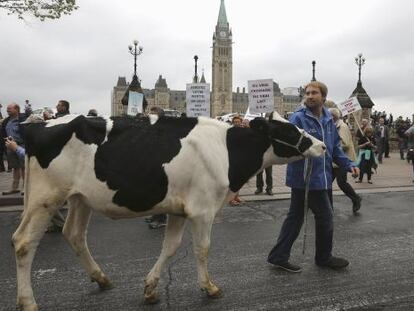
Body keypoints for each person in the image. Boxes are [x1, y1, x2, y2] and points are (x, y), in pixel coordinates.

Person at [267, 81, 359, 272]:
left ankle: (278, 255)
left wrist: (349, 164)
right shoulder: (298, 118)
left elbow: (334, 149)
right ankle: (324, 257)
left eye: (314, 93)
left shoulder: (328, 119)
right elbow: (288, 145)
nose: (309, 95)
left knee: (295, 218)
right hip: (306, 178)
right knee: (325, 217)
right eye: (307, 93)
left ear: (323, 97)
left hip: (323, 177)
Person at [328, 108, 361, 213]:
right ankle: (328, 206)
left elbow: (345, 144)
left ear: (333, 117)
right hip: (335, 161)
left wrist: (330, 148)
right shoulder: (333, 126)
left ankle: (356, 199)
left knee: (341, 183)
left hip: (343, 160)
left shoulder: (342, 126)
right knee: (327, 183)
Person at [146, 106, 168, 229]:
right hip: (153, 163)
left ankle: (161, 218)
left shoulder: (163, 127)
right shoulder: (153, 126)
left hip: (161, 164)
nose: (150, 115)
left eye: (153, 114)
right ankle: (155, 215)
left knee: (159, 193)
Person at [1, 103, 27, 195]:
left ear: (16, 109)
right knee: (15, 167)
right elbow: (3, 133)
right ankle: (14, 187)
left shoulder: (23, 119)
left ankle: (25, 187)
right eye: (7, 108)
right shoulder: (6, 121)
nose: (7, 110)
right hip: (10, 145)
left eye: (9, 108)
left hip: (22, 145)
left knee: (24, 167)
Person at [229, 115, 244, 205]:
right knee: (233, 180)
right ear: (233, 123)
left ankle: (236, 196)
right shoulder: (230, 132)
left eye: (238, 122)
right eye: (235, 122)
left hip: (241, 158)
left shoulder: (243, 131)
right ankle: (231, 199)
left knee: (240, 179)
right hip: (233, 158)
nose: (236, 123)